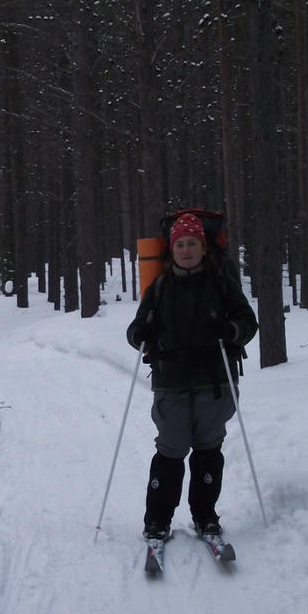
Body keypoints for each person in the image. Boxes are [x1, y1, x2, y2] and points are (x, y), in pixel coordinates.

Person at [126, 212, 258, 540]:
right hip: (171, 381)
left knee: (208, 448)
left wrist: (230, 330)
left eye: (192, 243)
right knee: (171, 449)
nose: (186, 250)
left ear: (203, 248)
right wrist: (140, 333)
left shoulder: (221, 283)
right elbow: (135, 329)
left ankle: (205, 516)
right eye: (180, 244)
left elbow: (248, 322)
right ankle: (157, 520)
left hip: (215, 381)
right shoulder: (159, 287)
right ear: (171, 249)